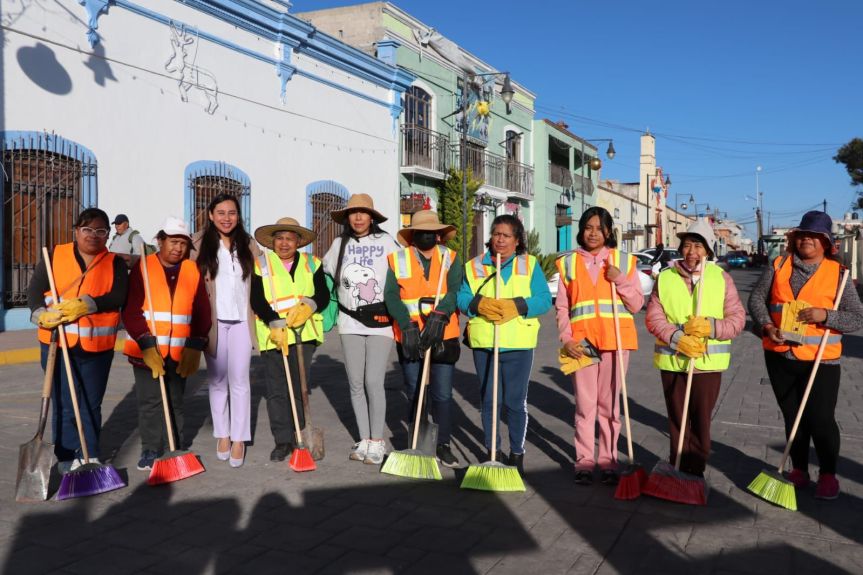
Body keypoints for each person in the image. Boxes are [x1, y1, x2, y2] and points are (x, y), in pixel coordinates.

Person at [748, 211, 863, 499]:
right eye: (803, 235)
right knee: (792, 416)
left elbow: (857, 318)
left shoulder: (838, 274)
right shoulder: (779, 265)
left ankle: (827, 474)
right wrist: (766, 326)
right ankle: (799, 469)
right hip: (779, 355)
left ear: (826, 242)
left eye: (815, 236)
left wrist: (825, 314)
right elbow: (757, 300)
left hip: (821, 360)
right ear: (795, 239)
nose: (807, 240)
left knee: (821, 419)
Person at [28, 207, 129, 472]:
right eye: (87, 229)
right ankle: (65, 457)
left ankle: (90, 453)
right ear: (76, 231)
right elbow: (34, 292)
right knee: (63, 403)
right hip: (56, 344)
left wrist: (88, 304)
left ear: (107, 235)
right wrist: (40, 314)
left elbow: (119, 296)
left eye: (100, 231)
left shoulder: (114, 262)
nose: (93, 236)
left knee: (90, 403)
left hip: (97, 346)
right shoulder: (53, 256)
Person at [645, 219, 744, 478]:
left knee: (700, 421)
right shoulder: (665, 278)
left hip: (707, 364)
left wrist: (710, 327)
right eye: (687, 245)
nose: (692, 252)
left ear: (708, 251)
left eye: (698, 246)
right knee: (677, 420)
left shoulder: (721, 279)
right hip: (673, 361)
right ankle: (676, 466)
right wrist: (677, 338)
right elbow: (654, 318)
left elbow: (737, 320)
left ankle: (695, 470)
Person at [457, 214, 552, 476]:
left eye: (506, 235)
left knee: (514, 401)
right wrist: (478, 304)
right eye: (496, 234)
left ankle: (516, 453)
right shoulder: (474, 265)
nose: (500, 239)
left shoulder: (530, 265)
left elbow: (544, 300)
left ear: (517, 240)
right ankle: (492, 451)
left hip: (519, 343)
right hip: (485, 343)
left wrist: (517, 306)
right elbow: (462, 297)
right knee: (488, 400)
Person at [555, 207, 644, 485]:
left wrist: (619, 279)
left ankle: (608, 460)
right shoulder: (568, 263)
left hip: (615, 342)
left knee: (609, 405)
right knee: (585, 405)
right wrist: (567, 339)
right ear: (581, 230)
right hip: (582, 344)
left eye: (599, 228)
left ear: (608, 232)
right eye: (588, 227)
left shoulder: (624, 261)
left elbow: (637, 304)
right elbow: (562, 308)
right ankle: (584, 461)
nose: (593, 233)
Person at [122, 216, 211, 470]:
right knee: (149, 402)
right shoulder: (143, 267)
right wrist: (145, 342)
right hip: (147, 350)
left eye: (183, 244)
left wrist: (195, 346)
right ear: (160, 241)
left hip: (179, 351)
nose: (178, 248)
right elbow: (130, 310)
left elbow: (202, 311)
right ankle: (150, 449)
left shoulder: (192, 270)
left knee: (175, 399)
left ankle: (176, 446)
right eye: (173, 242)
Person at [322, 193, 400, 465]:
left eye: (363, 213)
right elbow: (325, 275)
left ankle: (378, 441)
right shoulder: (338, 244)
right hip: (349, 320)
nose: (357, 218)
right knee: (355, 382)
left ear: (372, 217)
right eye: (353, 213)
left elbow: (403, 274)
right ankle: (364, 438)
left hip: (380, 321)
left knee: (373, 381)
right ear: (347, 217)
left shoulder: (387, 241)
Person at [384, 211, 463, 468]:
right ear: (413, 235)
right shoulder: (398, 259)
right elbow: (391, 295)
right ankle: (416, 441)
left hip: (443, 334)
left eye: (431, 232)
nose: (426, 236)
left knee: (441, 394)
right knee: (415, 392)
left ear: (439, 235)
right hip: (410, 335)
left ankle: (444, 444)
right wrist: (405, 325)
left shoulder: (450, 258)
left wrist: (441, 314)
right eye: (421, 232)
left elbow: (455, 290)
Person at [250, 217, 328, 462]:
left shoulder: (312, 263)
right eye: (280, 238)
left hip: (303, 333)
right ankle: (282, 441)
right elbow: (257, 298)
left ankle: (301, 436)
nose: (284, 243)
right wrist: (273, 320)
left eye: (290, 239)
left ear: (298, 242)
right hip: (273, 333)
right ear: (273, 241)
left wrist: (310, 305)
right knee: (276, 390)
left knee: (299, 387)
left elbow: (323, 293)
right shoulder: (260, 264)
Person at [192, 193, 261, 468]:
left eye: (231, 212)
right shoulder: (197, 244)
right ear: (210, 214)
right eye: (220, 212)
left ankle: (239, 438)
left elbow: (263, 277)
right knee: (218, 380)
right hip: (215, 322)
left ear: (238, 215)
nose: (226, 218)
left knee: (240, 380)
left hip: (243, 321)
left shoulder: (249, 245)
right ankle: (222, 433)